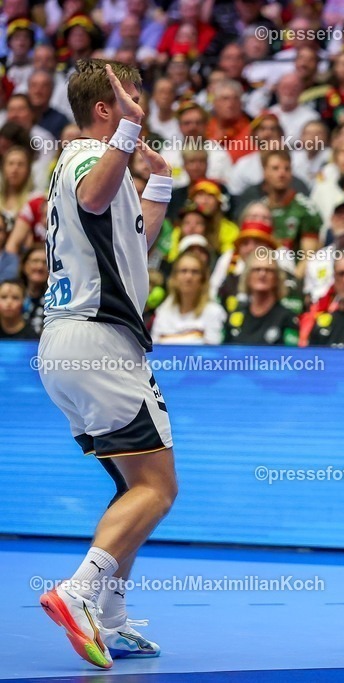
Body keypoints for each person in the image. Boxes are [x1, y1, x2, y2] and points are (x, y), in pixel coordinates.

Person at [36, 59, 176, 669]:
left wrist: (162, 182)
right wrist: (128, 132)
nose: (138, 105)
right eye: (130, 96)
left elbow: (132, 242)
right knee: (157, 488)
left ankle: (112, 616)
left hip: (66, 345)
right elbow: (97, 197)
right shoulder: (89, 155)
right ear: (106, 106)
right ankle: (78, 590)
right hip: (99, 341)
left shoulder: (90, 164)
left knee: (131, 486)